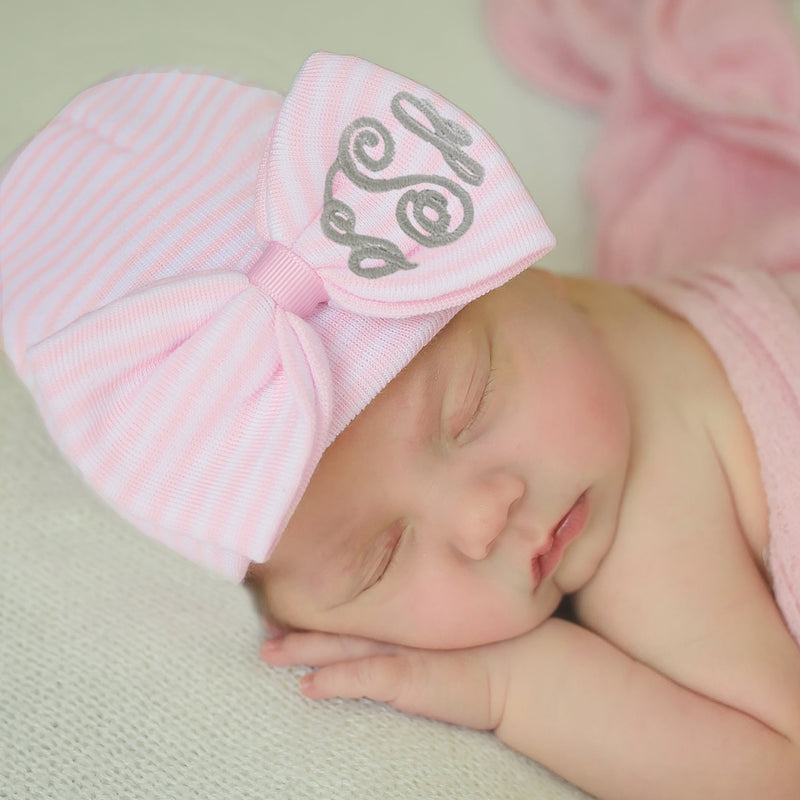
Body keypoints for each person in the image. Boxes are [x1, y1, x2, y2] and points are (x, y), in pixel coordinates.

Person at [2, 47, 800, 800]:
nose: (484, 519)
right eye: (380, 559)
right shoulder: (563, 325)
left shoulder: (655, 549)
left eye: (472, 405)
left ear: (523, 267)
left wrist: (515, 687)